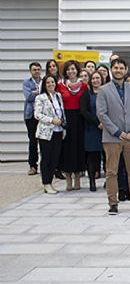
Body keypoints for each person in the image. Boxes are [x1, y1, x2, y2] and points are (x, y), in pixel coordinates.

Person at [96, 58, 130, 214]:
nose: (118, 70)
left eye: (121, 68)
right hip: (112, 138)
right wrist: (117, 132)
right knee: (112, 172)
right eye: (115, 68)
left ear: (126, 70)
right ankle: (113, 203)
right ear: (112, 69)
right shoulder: (104, 90)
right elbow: (102, 114)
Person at [57, 60, 88, 191]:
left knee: (78, 149)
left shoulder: (84, 86)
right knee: (67, 150)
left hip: (80, 119)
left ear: (77, 70)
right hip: (66, 119)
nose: (71, 71)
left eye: (73, 69)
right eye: (68, 69)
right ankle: (68, 179)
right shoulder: (60, 86)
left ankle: (77, 178)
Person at [34, 75, 65, 194]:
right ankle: (46, 183)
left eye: (52, 82)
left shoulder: (58, 96)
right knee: (46, 158)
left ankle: (50, 181)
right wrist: (52, 120)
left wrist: (62, 122)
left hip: (58, 131)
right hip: (46, 132)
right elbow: (37, 114)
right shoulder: (40, 98)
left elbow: (61, 111)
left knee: (55, 158)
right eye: (48, 82)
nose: (51, 84)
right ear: (44, 84)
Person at [80, 71, 104, 192]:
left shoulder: (107, 92)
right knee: (92, 157)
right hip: (92, 129)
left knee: (107, 156)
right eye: (93, 78)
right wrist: (97, 123)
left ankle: (107, 181)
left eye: (98, 78)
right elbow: (84, 111)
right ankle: (92, 182)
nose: (95, 80)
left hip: (106, 129)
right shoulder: (86, 94)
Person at [23, 62, 42, 176]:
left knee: (45, 141)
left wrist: (35, 92)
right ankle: (33, 166)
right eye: (34, 69)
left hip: (43, 115)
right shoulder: (26, 82)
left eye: (38, 69)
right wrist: (38, 93)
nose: (37, 71)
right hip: (31, 115)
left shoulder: (44, 81)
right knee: (33, 141)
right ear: (30, 71)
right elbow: (29, 97)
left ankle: (46, 165)